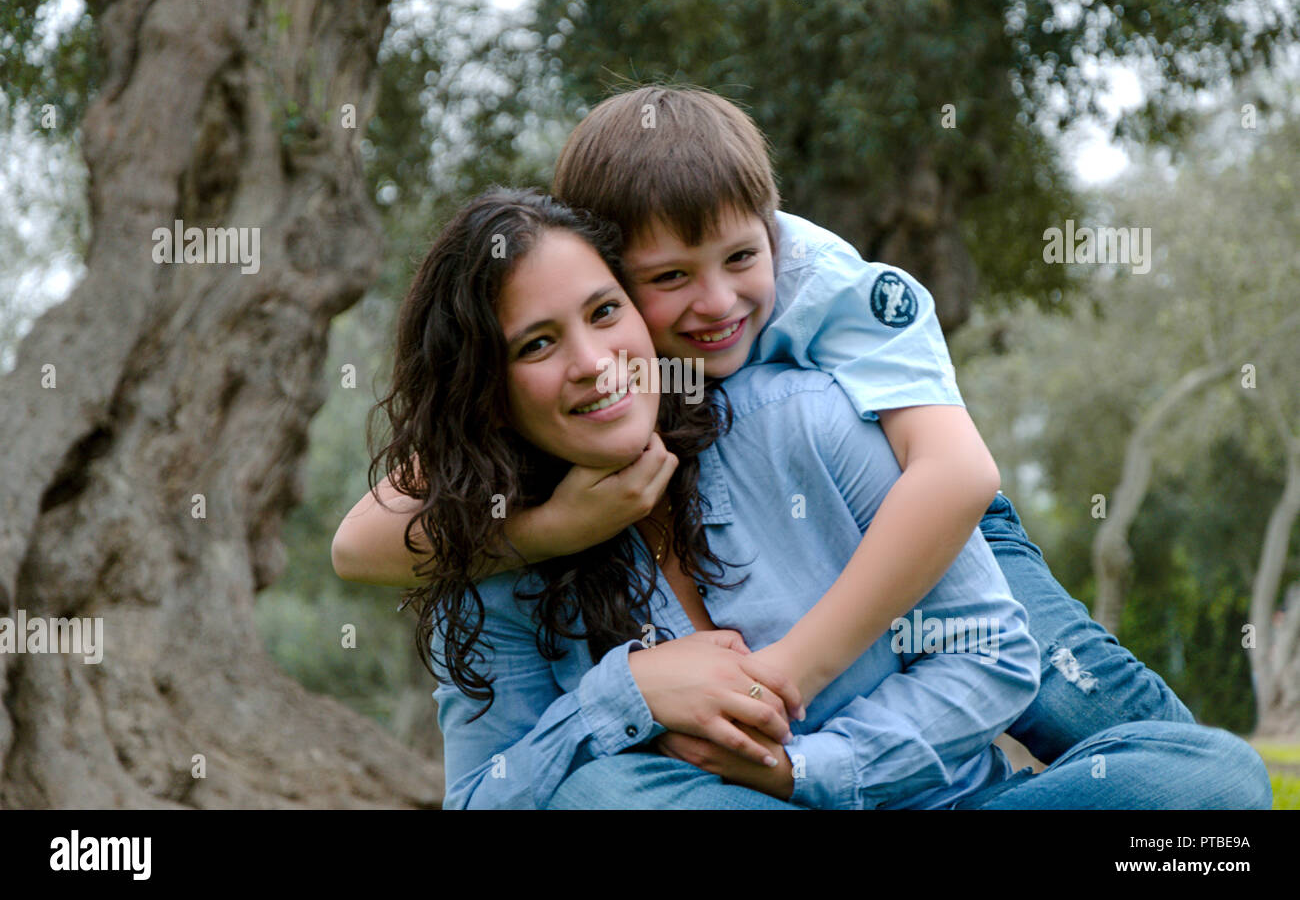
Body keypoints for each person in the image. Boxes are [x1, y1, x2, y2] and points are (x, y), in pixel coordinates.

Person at [334, 85, 1213, 773]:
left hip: (926, 506)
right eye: (668, 277)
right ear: (601, 263)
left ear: (770, 230)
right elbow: (360, 546)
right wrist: (555, 527)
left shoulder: (825, 282)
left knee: (1091, 710)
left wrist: (791, 670)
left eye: (741, 259)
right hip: (771, 522)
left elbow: (955, 476)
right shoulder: (579, 334)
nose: (717, 303)